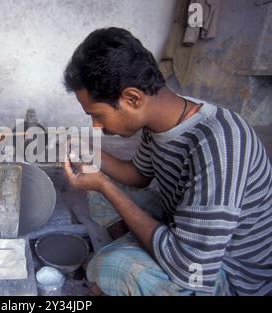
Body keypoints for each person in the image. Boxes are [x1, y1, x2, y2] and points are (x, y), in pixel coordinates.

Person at [63, 27, 271, 296]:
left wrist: (105, 185)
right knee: (96, 189)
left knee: (109, 267)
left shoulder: (219, 142)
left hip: (227, 274)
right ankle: (142, 249)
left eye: (97, 115)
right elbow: (138, 175)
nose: (96, 125)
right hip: (185, 232)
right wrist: (88, 151)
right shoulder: (164, 116)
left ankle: (137, 257)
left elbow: (192, 268)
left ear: (133, 98)